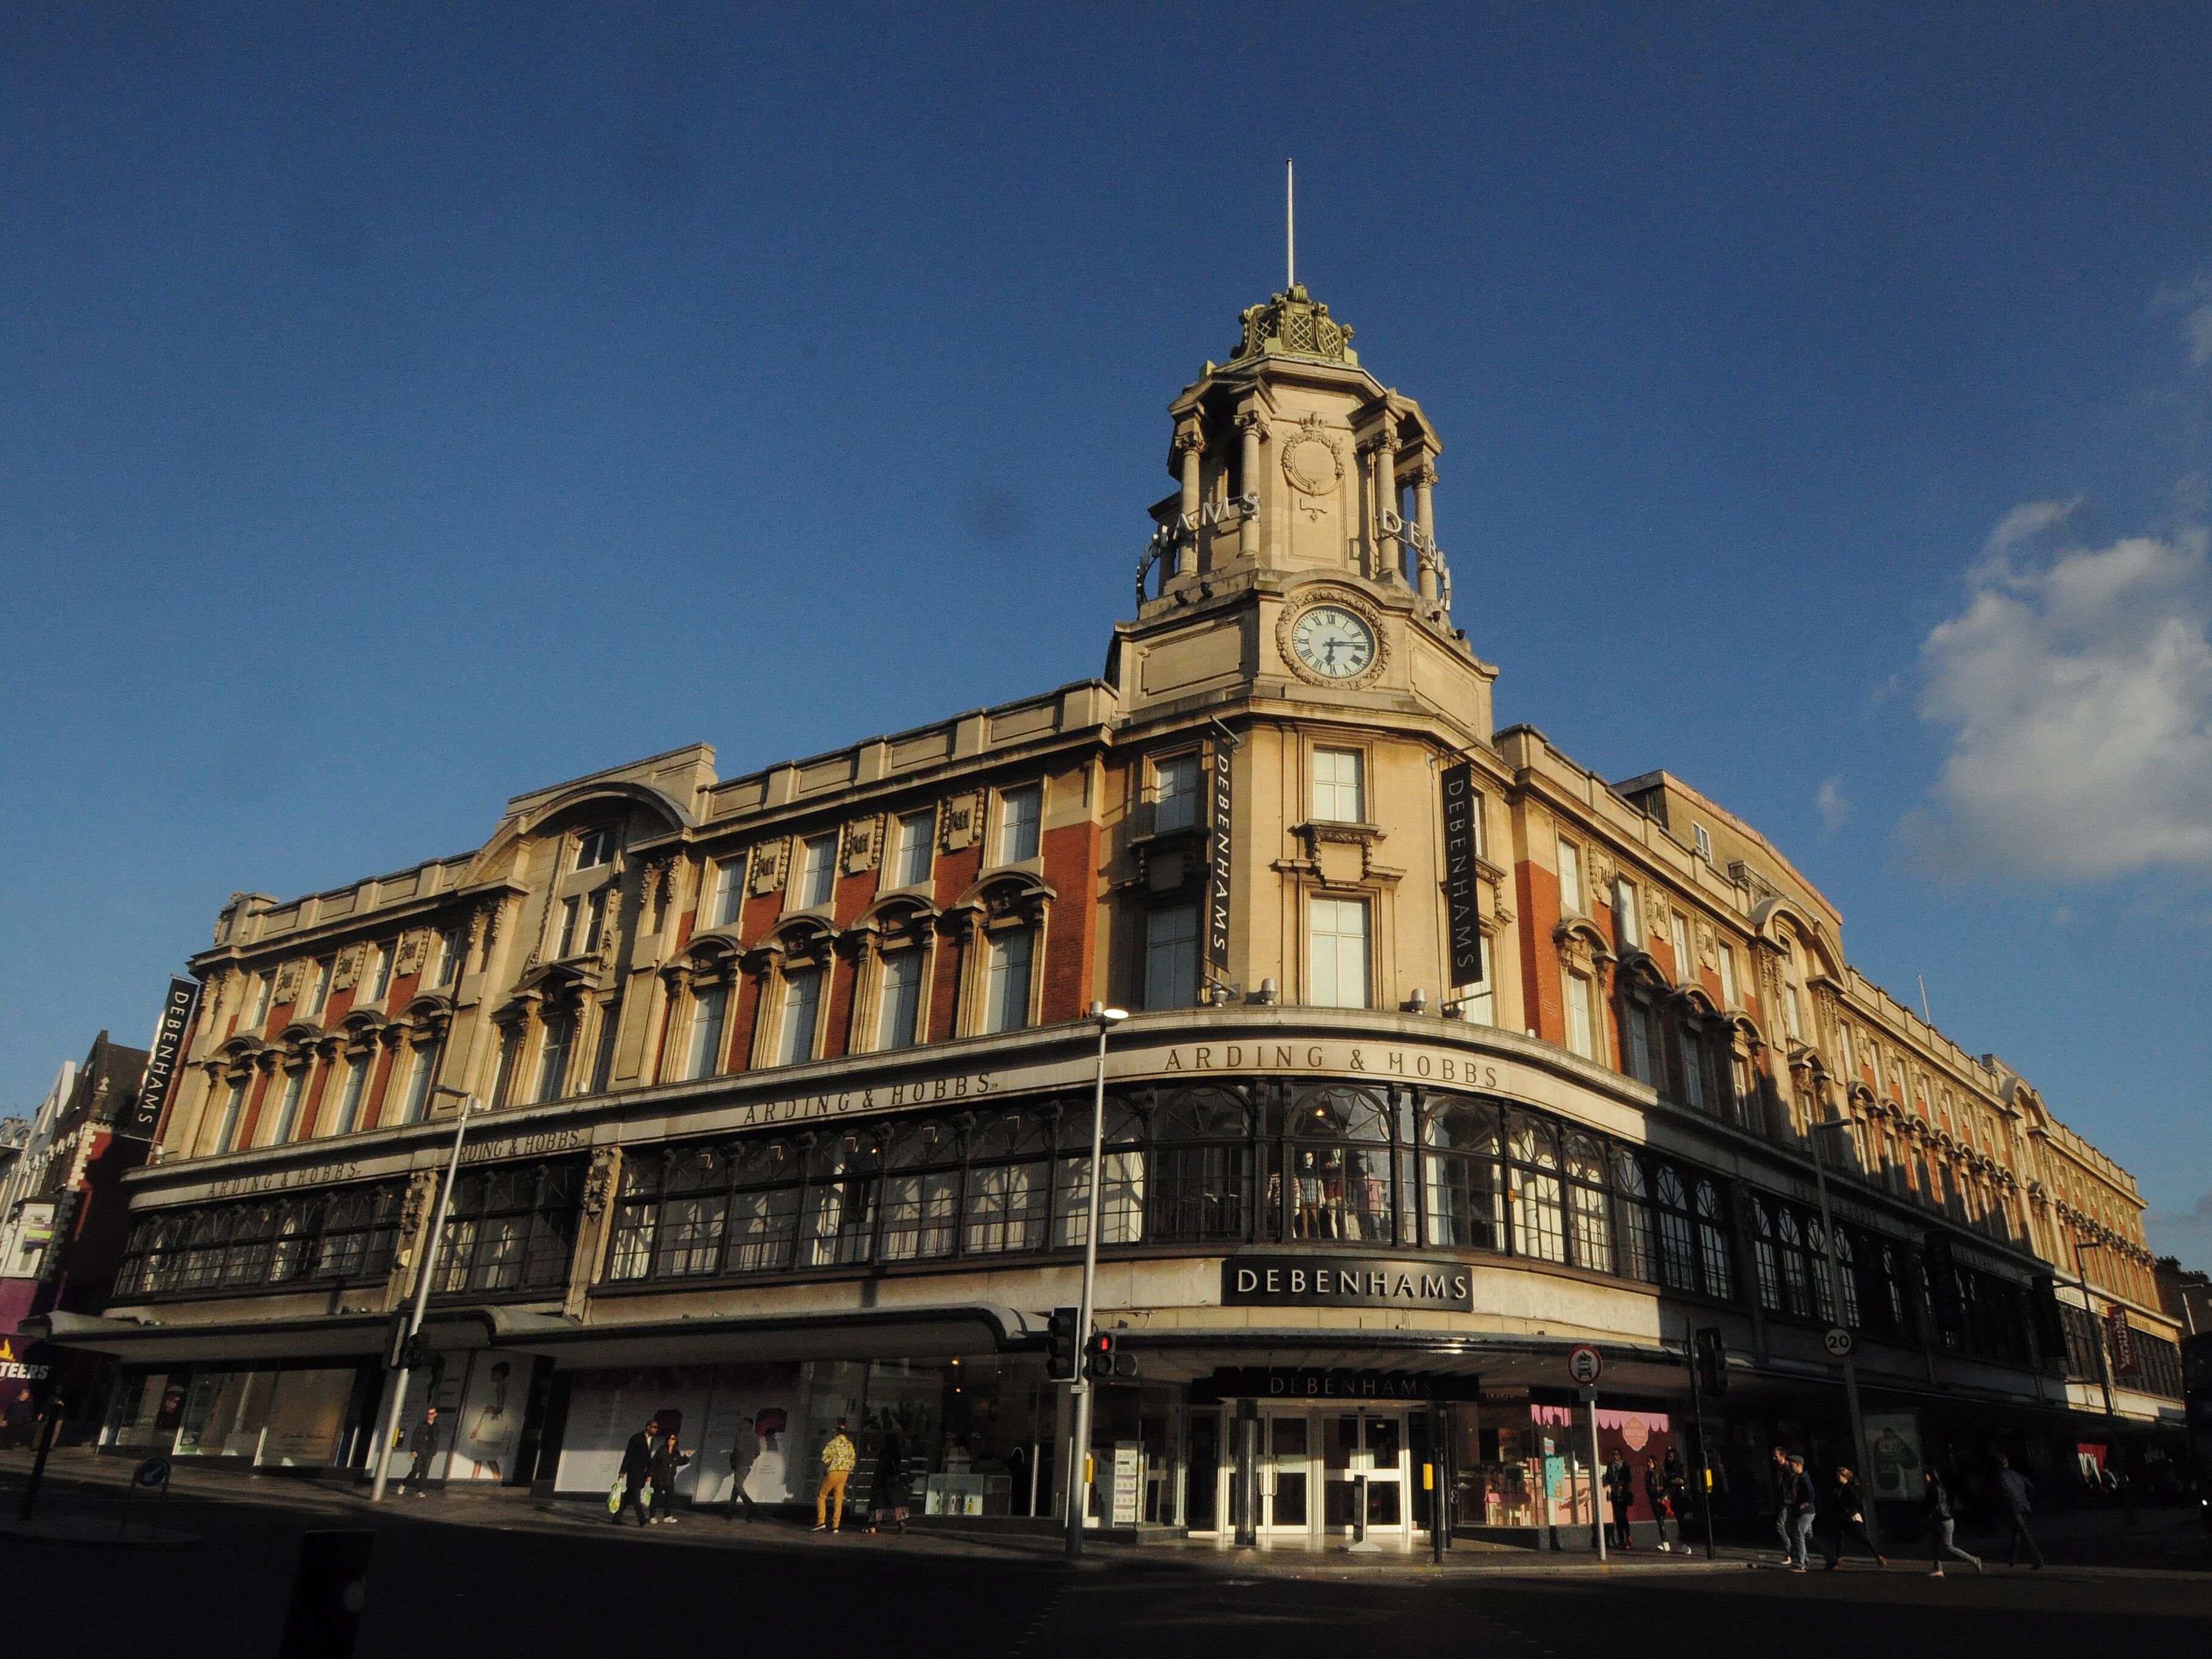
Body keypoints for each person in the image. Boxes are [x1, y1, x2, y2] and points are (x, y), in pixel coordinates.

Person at [1921, 1468, 1982, 1576]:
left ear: (1931, 1476)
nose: (1924, 1478)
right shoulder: (1934, 1487)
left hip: (1944, 1520)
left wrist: (1929, 1516)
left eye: (1926, 1475)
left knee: (1948, 1547)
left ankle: (1974, 1560)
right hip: (1939, 1520)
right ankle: (1938, 1569)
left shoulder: (1936, 1488)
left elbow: (1937, 1505)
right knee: (1934, 1544)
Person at [1825, 1466, 1886, 1568]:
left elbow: (1856, 1502)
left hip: (1852, 1516)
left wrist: (1850, 1512)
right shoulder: (1838, 1488)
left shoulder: (1849, 1488)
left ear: (1845, 1477)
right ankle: (1839, 1559)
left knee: (1863, 1536)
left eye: (1839, 1476)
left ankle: (1878, 1556)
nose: (1838, 1478)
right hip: (1842, 1516)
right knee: (1840, 1537)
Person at [1992, 1455, 2044, 1569]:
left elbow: (2001, 1491)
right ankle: (2011, 1557)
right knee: (2017, 1532)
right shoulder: (2016, 1475)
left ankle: (2037, 1558)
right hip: (2023, 1505)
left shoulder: (1999, 1476)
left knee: (2023, 1534)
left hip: (2013, 1507)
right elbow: (2030, 1486)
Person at [612, 1414, 659, 1528]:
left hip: (642, 1473)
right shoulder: (636, 1438)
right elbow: (628, 1455)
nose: (655, 1429)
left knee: (627, 1497)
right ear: (648, 1427)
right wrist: (622, 1471)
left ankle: (617, 1517)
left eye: (657, 1428)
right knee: (636, 1498)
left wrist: (649, 1473)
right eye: (654, 1427)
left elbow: (648, 1458)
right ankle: (642, 1519)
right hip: (634, 1472)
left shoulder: (651, 1440)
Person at [814, 1418, 857, 1533]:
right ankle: (835, 1525)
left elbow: (825, 1458)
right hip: (845, 1473)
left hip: (833, 1472)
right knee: (838, 1499)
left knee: (822, 1496)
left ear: (836, 1433)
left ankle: (821, 1521)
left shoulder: (833, 1443)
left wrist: (829, 1465)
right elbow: (853, 1460)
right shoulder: (849, 1444)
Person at [1784, 1454, 1825, 1571]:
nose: (1790, 1466)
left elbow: (1811, 1494)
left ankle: (1801, 1563)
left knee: (1798, 1534)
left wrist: (1805, 1504)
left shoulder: (1804, 1478)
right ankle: (1807, 1559)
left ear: (1799, 1465)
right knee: (1808, 1536)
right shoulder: (1797, 1478)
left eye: (1792, 1464)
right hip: (1802, 1511)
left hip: (1807, 1512)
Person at [867, 1433, 909, 1534]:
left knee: (880, 1502)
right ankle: (901, 1522)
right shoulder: (896, 1453)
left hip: (883, 1480)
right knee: (896, 1503)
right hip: (894, 1482)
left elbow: (881, 1466)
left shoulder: (885, 1452)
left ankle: (877, 1522)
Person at [649, 1429, 692, 1525]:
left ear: (675, 1441)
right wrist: (650, 1475)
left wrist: (686, 1457)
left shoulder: (676, 1452)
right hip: (660, 1478)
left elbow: (680, 1462)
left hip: (670, 1479)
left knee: (669, 1498)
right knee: (656, 1498)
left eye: (672, 1439)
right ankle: (652, 1516)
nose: (670, 1440)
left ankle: (667, 1516)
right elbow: (654, 1462)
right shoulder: (661, 1450)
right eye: (669, 1438)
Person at [400, 1405, 442, 1497]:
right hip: (420, 1450)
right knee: (416, 1469)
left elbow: (436, 1439)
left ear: (435, 1415)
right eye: (428, 1414)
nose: (429, 1415)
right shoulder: (422, 1425)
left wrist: (434, 1451)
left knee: (425, 1470)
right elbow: (415, 1437)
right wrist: (414, 1450)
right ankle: (404, 1483)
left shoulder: (436, 1426)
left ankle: (420, 1491)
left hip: (429, 1451)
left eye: (432, 1414)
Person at [728, 1414, 761, 1522]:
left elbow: (737, 1449)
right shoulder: (755, 1436)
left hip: (740, 1462)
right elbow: (757, 1452)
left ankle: (751, 1506)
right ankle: (729, 1512)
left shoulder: (741, 1435)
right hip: (748, 1464)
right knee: (737, 1486)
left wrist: (733, 1460)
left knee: (738, 1486)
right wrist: (750, 1457)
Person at [1643, 1456, 1675, 1551]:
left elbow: (1666, 1485)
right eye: (1648, 1462)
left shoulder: (1658, 1473)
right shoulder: (1648, 1474)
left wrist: (1661, 1497)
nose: (1649, 1464)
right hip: (1654, 1499)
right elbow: (1648, 1488)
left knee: (1661, 1520)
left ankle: (1665, 1542)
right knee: (1659, 1520)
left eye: (1650, 1462)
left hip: (1660, 1499)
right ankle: (1664, 1542)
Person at [1770, 1446, 1795, 1564]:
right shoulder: (1779, 1469)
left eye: (1777, 1456)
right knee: (1789, 1527)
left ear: (1783, 1456)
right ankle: (1792, 1553)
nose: (1775, 1458)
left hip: (1788, 1502)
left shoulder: (1789, 1469)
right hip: (1783, 1501)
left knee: (1780, 1525)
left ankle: (1790, 1551)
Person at [1604, 1452, 1634, 1549]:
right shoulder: (1610, 1467)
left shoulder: (1624, 1466)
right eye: (1613, 1455)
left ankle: (1628, 1537)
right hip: (1615, 1493)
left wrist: (1622, 1485)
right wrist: (1608, 1484)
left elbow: (1628, 1479)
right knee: (1617, 1516)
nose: (1614, 1457)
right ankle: (1621, 1539)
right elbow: (1607, 1478)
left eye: (1616, 1455)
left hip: (1623, 1493)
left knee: (1622, 1515)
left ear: (1620, 1456)